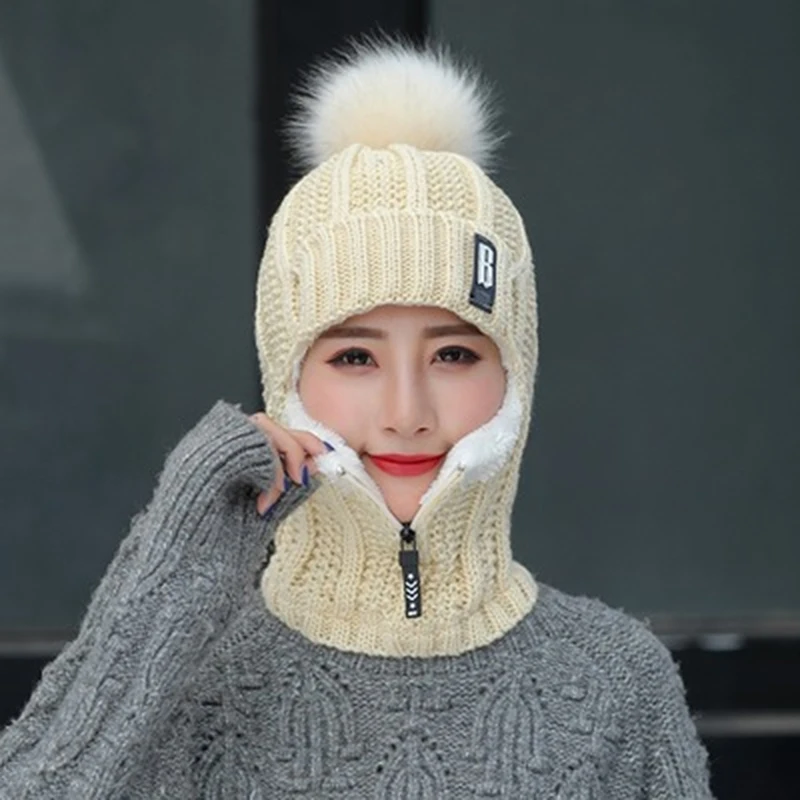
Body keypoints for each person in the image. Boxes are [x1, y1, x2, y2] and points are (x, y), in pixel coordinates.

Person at [0, 40, 713, 798]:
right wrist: (171, 569)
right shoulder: (184, 679)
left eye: (453, 355)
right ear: (287, 376)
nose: (407, 414)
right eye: (355, 357)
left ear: (517, 372)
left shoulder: (617, 683)